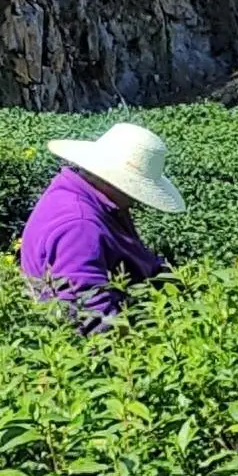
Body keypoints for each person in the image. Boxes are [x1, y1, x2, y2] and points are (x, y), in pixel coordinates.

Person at [19, 121, 184, 330]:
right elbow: (89, 313)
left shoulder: (85, 195)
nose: (137, 200)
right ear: (116, 182)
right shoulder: (80, 226)